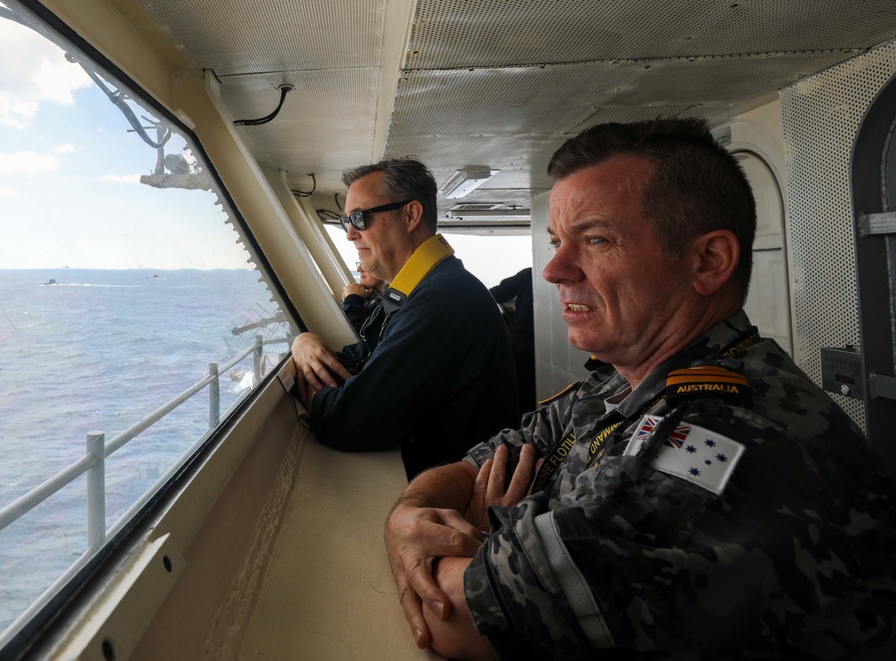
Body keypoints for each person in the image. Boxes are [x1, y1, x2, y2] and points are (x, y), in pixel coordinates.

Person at [383, 119, 896, 659]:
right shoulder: (621, 379)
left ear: (708, 261)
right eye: (558, 241)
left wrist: (465, 540)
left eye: (597, 240)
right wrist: (410, 516)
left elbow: (461, 616)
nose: (554, 270)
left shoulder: (731, 430)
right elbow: (491, 459)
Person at [292, 157, 519, 480]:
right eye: (347, 222)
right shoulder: (426, 289)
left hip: (460, 501)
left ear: (411, 215)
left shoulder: (440, 301)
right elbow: (369, 357)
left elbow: (349, 422)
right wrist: (304, 343)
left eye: (360, 218)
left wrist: (314, 396)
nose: (350, 234)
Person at [489, 266, 536, 414]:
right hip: (551, 344)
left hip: (524, 342)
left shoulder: (530, 274)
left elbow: (496, 294)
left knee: (521, 389)